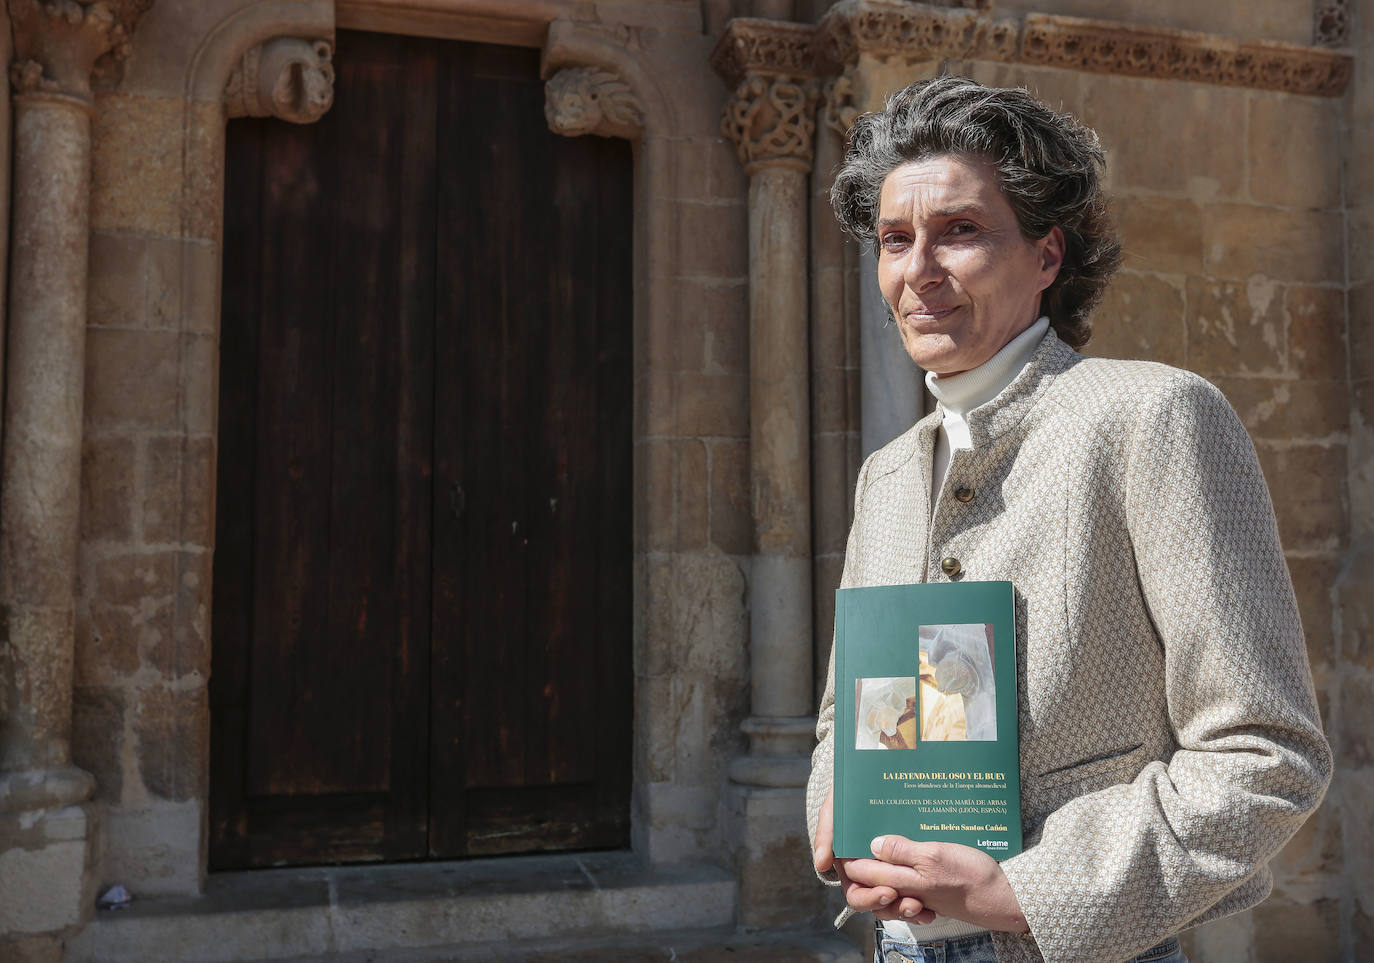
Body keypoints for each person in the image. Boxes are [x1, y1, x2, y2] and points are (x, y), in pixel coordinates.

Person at [805, 76, 1332, 963]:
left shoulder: (1152, 417)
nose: (918, 270)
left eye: (959, 230)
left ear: (1048, 254)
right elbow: (839, 719)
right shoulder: (886, 476)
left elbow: (1266, 751)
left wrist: (1027, 893)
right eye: (895, 240)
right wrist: (839, 810)